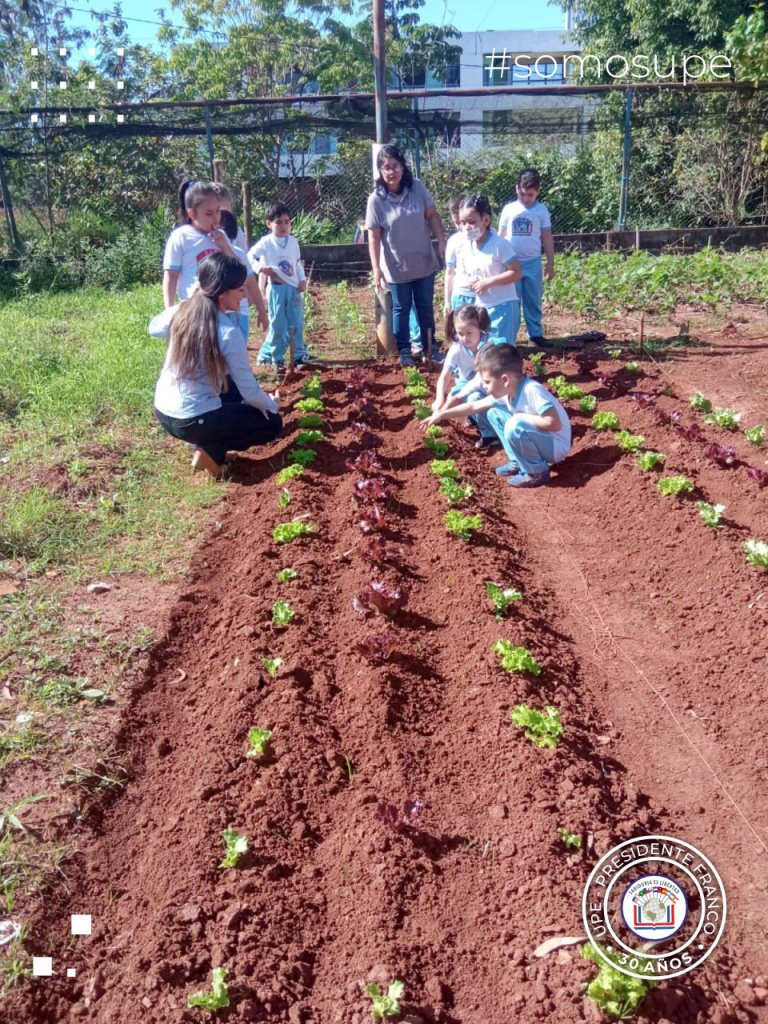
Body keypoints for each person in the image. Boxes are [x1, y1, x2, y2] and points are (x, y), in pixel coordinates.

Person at [152, 253, 282, 479]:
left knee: (230, 388)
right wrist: (271, 405)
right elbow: (250, 391)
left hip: (163, 412)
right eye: (240, 290)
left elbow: (153, 328)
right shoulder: (228, 333)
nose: (244, 297)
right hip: (192, 419)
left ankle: (206, 444)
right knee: (271, 423)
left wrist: (180, 307)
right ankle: (211, 452)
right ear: (223, 294)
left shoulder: (183, 311)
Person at [423, 343, 571, 488]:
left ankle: (537, 473)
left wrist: (521, 417)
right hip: (544, 439)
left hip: (556, 446)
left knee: (514, 425)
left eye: (487, 382)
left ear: (505, 380)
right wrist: (442, 414)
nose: (485, 387)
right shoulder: (509, 392)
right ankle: (518, 462)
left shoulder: (531, 390)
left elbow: (554, 423)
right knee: (494, 413)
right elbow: (473, 406)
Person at [366, 144, 447, 367]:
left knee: (424, 306)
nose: (391, 172)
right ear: (380, 172)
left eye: (395, 166)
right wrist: (376, 268)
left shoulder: (417, 188)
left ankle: (430, 348)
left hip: (423, 262)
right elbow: (373, 237)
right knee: (400, 310)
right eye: (385, 168)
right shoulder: (376, 200)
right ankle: (404, 351)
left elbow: (432, 216)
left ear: (402, 167)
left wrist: (441, 241)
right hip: (396, 267)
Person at [163, 181, 264, 343]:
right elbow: (171, 276)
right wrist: (169, 311)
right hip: (196, 313)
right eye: (209, 213)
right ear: (192, 214)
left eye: (218, 211)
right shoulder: (181, 237)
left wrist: (225, 247)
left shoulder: (222, 237)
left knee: (229, 362)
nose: (216, 218)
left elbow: (241, 272)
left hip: (228, 312)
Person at [448, 194, 522, 345]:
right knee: (483, 354)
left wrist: (489, 282)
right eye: (462, 223)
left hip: (503, 307)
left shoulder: (500, 245)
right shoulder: (467, 246)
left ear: (486, 220)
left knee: (501, 355)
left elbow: (516, 272)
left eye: (472, 222)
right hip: (481, 309)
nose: (466, 227)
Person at [247, 202, 311, 368]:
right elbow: (249, 257)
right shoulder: (266, 242)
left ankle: (298, 356)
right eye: (279, 222)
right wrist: (261, 268)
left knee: (297, 323)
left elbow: (296, 263)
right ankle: (277, 358)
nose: (284, 226)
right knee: (277, 325)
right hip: (276, 289)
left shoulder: (293, 242)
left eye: (287, 222)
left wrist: (302, 279)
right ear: (269, 223)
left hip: (294, 289)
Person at [498, 168, 555, 349]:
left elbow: (546, 237)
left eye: (530, 195)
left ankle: (535, 335)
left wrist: (550, 263)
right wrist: (498, 262)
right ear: (517, 189)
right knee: (512, 302)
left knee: (533, 300)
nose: (526, 198)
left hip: (533, 263)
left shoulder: (541, 211)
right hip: (511, 264)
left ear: (538, 191)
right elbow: (500, 236)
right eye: (523, 194)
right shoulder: (509, 209)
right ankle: (510, 338)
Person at [432, 304, 499, 451]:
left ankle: (490, 435)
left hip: (489, 384)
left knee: (474, 398)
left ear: (480, 328)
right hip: (466, 383)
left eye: (469, 333)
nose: (464, 338)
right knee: (455, 394)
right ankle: (474, 417)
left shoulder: (489, 345)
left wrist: (443, 411)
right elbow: (445, 375)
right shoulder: (457, 347)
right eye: (460, 333)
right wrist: (439, 399)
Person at [443, 195, 472, 317]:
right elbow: (450, 272)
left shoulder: (484, 237)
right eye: (456, 223)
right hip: (459, 295)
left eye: (462, 222)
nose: (460, 227)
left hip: (480, 296)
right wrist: (447, 301)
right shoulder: (453, 241)